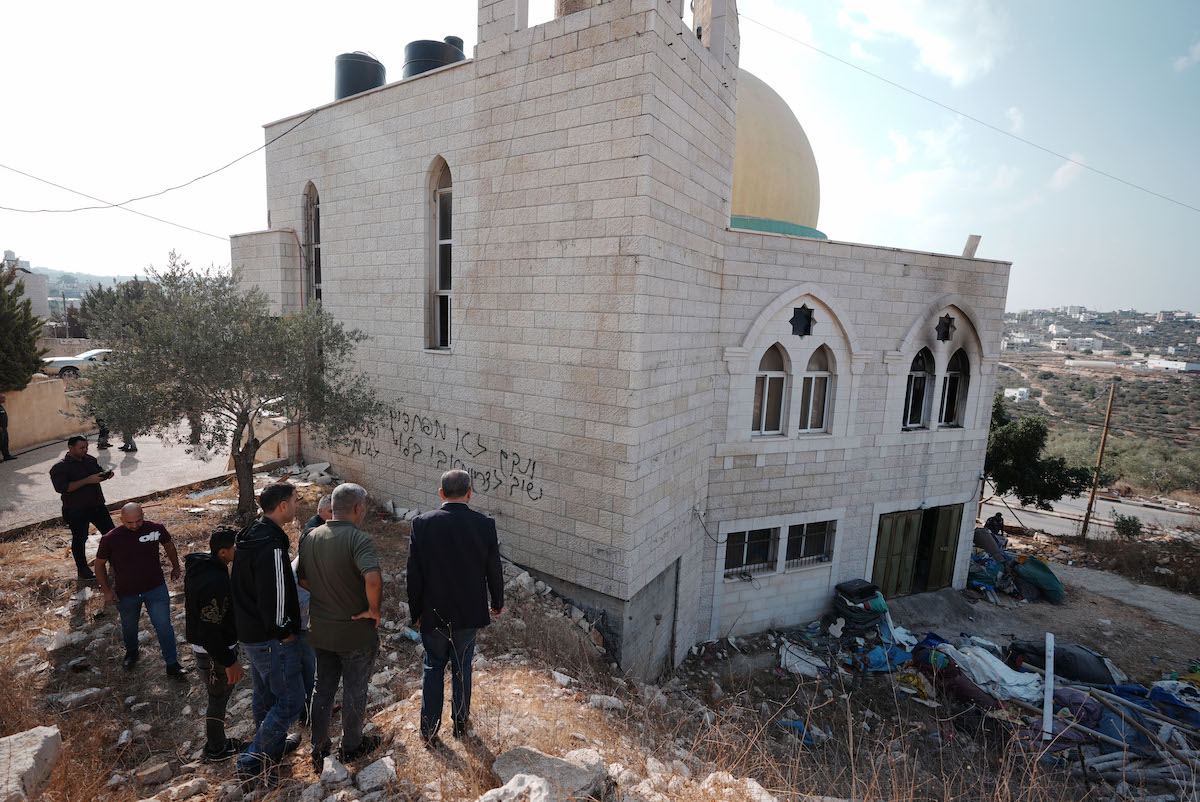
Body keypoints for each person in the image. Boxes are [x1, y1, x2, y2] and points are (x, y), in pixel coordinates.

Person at [407, 470, 504, 743]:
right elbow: (493, 568)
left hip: (432, 612)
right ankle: (460, 723)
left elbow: (413, 574)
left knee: (433, 667)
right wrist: (497, 601)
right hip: (468, 613)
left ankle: (428, 730)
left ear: (441, 494)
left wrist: (415, 612)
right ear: (470, 493)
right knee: (463, 668)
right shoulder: (484, 524)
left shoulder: (421, 523)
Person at [299, 483, 384, 769]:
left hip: (321, 630)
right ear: (358, 508)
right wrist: (373, 610)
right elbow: (372, 578)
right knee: (354, 689)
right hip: (354, 634)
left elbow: (301, 579)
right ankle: (351, 746)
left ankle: (319, 748)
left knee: (322, 689)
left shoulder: (310, 536)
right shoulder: (359, 539)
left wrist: (325, 593)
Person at [230, 482, 304, 788]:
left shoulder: (250, 534)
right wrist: (284, 631)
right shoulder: (272, 545)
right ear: (283, 506)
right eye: (296, 501)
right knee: (291, 700)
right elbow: (274, 593)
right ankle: (251, 759)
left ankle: (270, 752)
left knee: (264, 696)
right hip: (269, 637)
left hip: (250, 632)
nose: (298, 505)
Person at [94, 502, 187, 677]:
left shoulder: (156, 528)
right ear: (121, 519)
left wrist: (176, 566)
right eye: (130, 522)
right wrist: (106, 590)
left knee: (164, 626)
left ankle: (172, 664)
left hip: (155, 588)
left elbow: (169, 545)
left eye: (139, 520)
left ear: (143, 516)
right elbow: (99, 565)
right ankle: (131, 652)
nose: (135, 525)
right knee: (129, 626)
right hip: (127, 593)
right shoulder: (110, 538)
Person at [184, 526, 247, 761]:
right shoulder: (214, 581)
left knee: (216, 697)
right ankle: (217, 748)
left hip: (208, 650)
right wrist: (230, 662)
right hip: (214, 654)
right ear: (223, 552)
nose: (239, 552)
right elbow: (210, 630)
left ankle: (217, 742)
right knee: (218, 698)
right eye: (235, 548)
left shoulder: (203, 568)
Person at [49, 435, 114, 580]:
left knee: (111, 534)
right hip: (76, 510)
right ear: (70, 448)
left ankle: (115, 562)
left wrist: (106, 475)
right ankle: (83, 570)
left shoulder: (90, 459)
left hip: (97, 506)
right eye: (81, 448)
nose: (85, 450)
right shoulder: (59, 468)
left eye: (86, 447)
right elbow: (64, 488)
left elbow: (98, 472)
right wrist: (87, 481)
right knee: (80, 539)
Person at [289, 554, 316, 725]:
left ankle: (308, 711)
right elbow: (301, 606)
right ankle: (306, 714)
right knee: (307, 670)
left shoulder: (307, 559)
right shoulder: (301, 568)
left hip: (304, 626)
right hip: (301, 627)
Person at [0, 393, 14, 460]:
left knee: (5, 442)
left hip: (4, 429)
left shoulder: (1, 406)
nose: (4, 399)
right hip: (0, 429)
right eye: (3, 398)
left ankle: (6, 456)